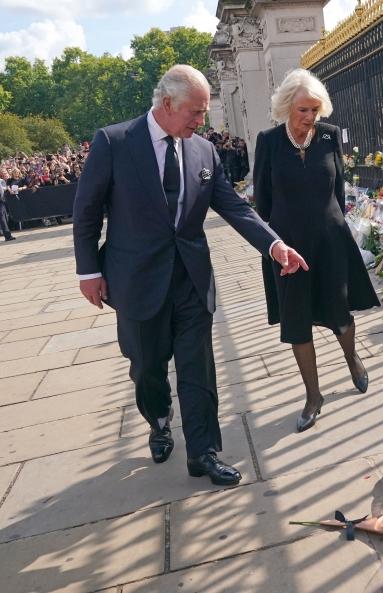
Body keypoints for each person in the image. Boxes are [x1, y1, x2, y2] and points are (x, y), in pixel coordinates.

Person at [72, 65, 307, 486]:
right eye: (195, 113)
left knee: (198, 367)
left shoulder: (203, 151)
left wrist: (274, 245)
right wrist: (88, 270)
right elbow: (86, 210)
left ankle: (203, 452)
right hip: (136, 280)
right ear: (166, 104)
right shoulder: (115, 142)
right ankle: (159, 420)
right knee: (146, 366)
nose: (202, 121)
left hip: (192, 279)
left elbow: (234, 207)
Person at [254, 68, 380, 433]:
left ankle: (351, 356)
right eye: (302, 110)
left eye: (314, 110)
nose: (309, 118)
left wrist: (337, 226)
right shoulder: (269, 142)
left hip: (329, 241)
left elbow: (338, 188)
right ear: (285, 107)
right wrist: (272, 246)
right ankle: (313, 396)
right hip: (288, 248)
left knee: (339, 310)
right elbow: (262, 201)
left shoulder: (329, 136)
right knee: (297, 322)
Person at [0, 168, 17, 241]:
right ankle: (7, 236)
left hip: (2, 201)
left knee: (4, 218)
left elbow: (4, 188)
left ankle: (7, 235)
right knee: (2, 218)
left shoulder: (1, 181)